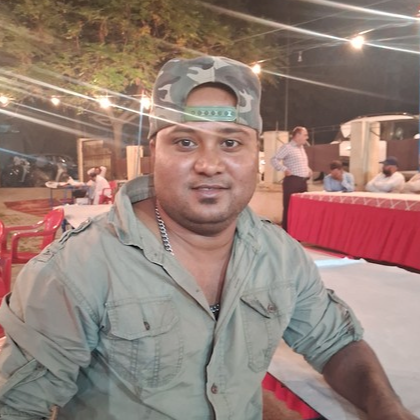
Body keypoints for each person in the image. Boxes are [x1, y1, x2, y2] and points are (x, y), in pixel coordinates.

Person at [0, 56, 416, 420]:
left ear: (254, 155)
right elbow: (15, 404)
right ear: (154, 152)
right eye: (185, 142)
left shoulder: (279, 255)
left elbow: (337, 343)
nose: (209, 164)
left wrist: (389, 409)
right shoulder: (75, 269)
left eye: (230, 142)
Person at [270, 126, 311, 232]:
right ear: (297, 135)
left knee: (302, 208)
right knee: (290, 207)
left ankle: (299, 231)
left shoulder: (302, 149)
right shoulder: (287, 147)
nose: (307, 137)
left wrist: (308, 170)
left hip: (303, 182)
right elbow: (274, 159)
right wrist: (284, 169)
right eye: (305, 135)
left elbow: (300, 164)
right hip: (292, 181)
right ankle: (287, 231)